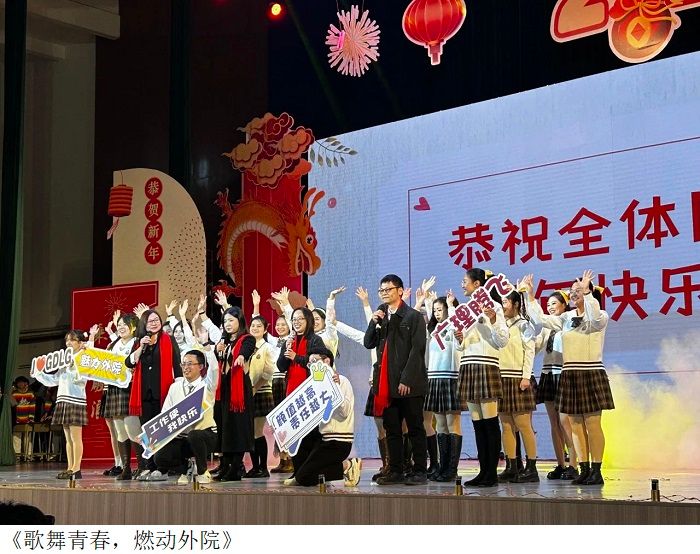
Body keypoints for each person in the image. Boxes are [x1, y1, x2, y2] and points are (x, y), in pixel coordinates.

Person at [522, 270, 614, 485]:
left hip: (590, 372)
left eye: (578, 290)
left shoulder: (600, 315)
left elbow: (593, 318)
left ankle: (596, 470)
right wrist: (531, 296)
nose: (573, 294)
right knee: (575, 423)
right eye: (572, 290)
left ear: (589, 293)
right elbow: (541, 319)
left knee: (592, 423)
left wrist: (587, 293)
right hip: (569, 373)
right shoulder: (566, 317)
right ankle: (584, 468)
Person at [363, 274, 428, 485]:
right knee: (392, 429)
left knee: (415, 427)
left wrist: (406, 379)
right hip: (386, 383)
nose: (384, 293)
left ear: (400, 291)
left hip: (410, 383)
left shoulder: (412, 316)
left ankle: (420, 470)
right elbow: (368, 343)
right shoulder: (382, 317)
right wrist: (373, 322)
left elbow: (417, 350)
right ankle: (396, 470)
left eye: (388, 289)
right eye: (381, 290)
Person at [456, 268, 509, 488]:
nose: (462, 285)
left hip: (486, 365)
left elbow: (502, 340)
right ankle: (483, 471)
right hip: (468, 365)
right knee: (477, 423)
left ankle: (492, 474)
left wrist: (492, 319)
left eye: (465, 281)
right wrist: (459, 338)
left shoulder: (494, 306)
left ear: (477, 284)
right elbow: (461, 346)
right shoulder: (465, 310)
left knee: (489, 422)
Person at [281, 345, 361, 487]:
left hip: (338, 440)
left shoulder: (341, 381)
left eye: (315, 362)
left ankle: (347, 465)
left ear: (327, 361)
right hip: (322, 438)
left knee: (305, 478)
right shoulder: (315, 386)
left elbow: (344, 412)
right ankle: (300, 474)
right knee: (300, 440)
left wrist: (334, 388)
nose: (312, 366)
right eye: (309, 364)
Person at [124, 309, 182, 480]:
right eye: (150, 321)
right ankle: (150, 466)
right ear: (144, 324)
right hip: (143, 395)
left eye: (157, 320)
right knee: (147, 431)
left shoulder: (168, 339)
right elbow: (129, 363)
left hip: (163, 394)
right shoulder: (139, 342)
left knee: (161, 431)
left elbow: (177, 365)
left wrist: (179, 389)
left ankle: (162, 468)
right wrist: (140, 347)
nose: (155, 323)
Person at [152, 348, 219, 484]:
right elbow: (165, 415)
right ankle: (186, 468)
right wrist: (148, 437)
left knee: (194, 435)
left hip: (205, 435)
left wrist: (208, 349)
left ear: (201, 367)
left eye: (190, 364)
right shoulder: (175, 387)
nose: (186, 367)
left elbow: (214, 370)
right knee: (159, 457)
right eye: (183, 364)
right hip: (181, 437)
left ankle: (202, 472)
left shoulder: (207, 385)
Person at [31, 330, 90, 479]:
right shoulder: (63, 360)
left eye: (72, 340)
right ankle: (70, 468)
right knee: (68, 438)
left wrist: (75, 363)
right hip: (62, 399)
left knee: (76, 437)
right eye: (67, 340)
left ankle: (77, 469)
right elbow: (55, 380)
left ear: (80, 342)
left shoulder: (84, 357)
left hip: (75, 399)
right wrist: (39, 373)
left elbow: (83, 378)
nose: (69, 343)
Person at [496, 289, 539, 483]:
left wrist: (526, 377)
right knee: (506, 425)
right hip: (502, 378)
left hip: (518, 378)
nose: (503, 305)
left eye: (506, 302)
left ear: (516, 304)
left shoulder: (524, 325)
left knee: (523, 425)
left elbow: (530, 351)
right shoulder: (500, 324)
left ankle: (531, 468)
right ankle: (511, 466)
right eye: (502, 302)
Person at [535, 291, 579, 480]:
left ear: (564, 304)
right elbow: (536, 346)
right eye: (548, 304)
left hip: (562, 373)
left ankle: (574, 464)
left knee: (565, 421)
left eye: (554, 303)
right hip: (547, 373)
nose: (550, 307)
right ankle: (561, 464)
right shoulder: (547, 327)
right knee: (554, 422)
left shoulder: (568, 321)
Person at [277, 306, 325, 476]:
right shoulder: (289, 341)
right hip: (291, 394)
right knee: (295, 436)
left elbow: (318, 364)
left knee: (311, 435)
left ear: (308, 321)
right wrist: (286, 350)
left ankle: (311, 471)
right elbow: (281, 366)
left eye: (300, 319)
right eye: (294, 320)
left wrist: (296, 357)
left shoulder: (315, 340)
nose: (296, 322)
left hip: (310, 395)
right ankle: (298, 471)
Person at [423, 291, 463, 482]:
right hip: (434, 378)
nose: (437, 313)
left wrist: (452, 305)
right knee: (440, 423)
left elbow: (457, 323)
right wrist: (427, 300)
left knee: (452, 423)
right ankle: (442, 466)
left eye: (440, 310)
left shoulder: (455, 326)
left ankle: (452, 469)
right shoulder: (434, 329)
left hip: (450, 377)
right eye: (435, 310)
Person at [214, 307, 257, 481]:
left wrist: (240, 356)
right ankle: (226, 465)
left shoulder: (247, 339)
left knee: (237, 428)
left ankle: (236, 467)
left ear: (240, 321)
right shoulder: (223, 341)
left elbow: (246, 350)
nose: (227, 324)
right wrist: (217, 349)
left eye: (231, 320)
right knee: (224, 427)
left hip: (239, 390)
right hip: (224, 388)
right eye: (225, 321)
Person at [101, 311, 139, 480]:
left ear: (134, 327)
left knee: (133, 429)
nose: (121, 327)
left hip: (130, 388)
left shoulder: (137, 342)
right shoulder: (114, 344)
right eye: (120, 324)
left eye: (125, 324)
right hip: (114, 388)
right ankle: (126, 468)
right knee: (120, 431)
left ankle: (143, 466)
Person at [245, 314, 276, 478]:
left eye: (259, 326)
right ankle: (254, 467)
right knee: (249, 432)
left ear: (265, 330)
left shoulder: (267, 348)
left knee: (257, 431)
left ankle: (263, 468)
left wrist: (254, 388)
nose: (255, 328)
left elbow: (268, 372)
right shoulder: (248, 347)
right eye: (253, 326)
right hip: (248, 392)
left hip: (261, 392)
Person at [11, 376, 36, 459]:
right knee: (16, 437)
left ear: (26, 383)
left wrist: (31, 418)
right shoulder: (14, 394)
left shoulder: (31, 393)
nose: (21, 384)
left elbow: (32, 407)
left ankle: (28, 455)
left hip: (27, 420)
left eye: (23, 382)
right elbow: (12, 407)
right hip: (16, 420)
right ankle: (17, 455)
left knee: (27, 438)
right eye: (19, 382)